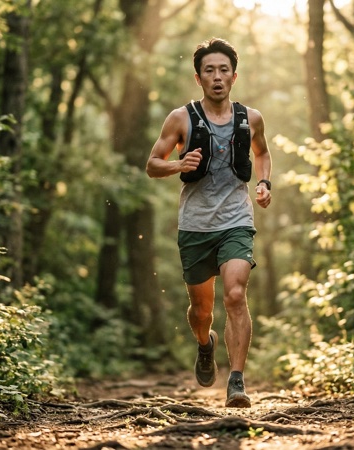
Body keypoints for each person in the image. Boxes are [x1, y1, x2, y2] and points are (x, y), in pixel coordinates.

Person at [146, 37, 272, 408]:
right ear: (198, 78)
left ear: (234, 76)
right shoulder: (180, 118)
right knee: (201, 311)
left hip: (236, 219)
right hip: (195, 225)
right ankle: (206, 344)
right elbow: (153, 163)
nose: (217, 77)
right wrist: (177, 164)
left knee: (235, 293)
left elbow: (262, 154)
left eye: (223, 70)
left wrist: (264, 183)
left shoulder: (251, 118)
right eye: (209, 71)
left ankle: (236, 381)